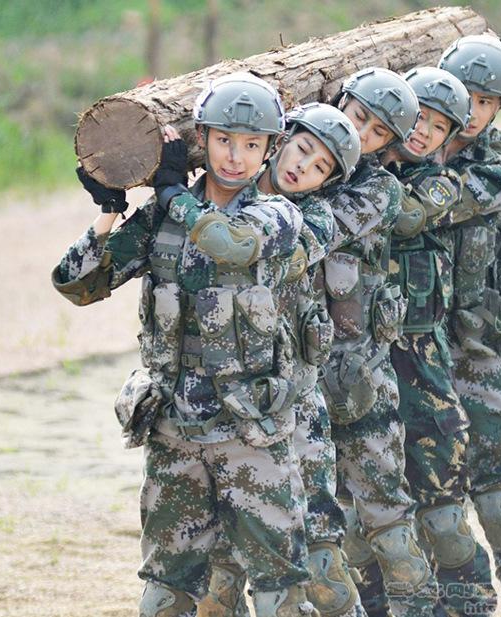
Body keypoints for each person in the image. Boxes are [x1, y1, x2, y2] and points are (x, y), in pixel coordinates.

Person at [53, 72, 317, 617]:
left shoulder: (277, 216)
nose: (235, 158)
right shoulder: (162, 218)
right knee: (165, 592)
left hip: (251, 433)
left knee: (280, 593)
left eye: (251, 145)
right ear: (202, 138)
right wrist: (109, 210)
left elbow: (230, 245)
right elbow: (78, 285)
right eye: (224, 140)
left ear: (270, 149)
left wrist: (173, 193)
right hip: (175, 430)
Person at [199, 102, 365, 617]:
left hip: (294, 404)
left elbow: (248, 250)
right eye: (302, 150)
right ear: (281, 140)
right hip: (221, 401)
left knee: (317, 557)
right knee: (219, 564)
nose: (302, 167)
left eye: (319, 167)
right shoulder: (223, 191)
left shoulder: (311, 219)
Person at [315, 67, 440, 617]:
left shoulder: (378, 191)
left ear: (390, 144)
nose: (358, 131)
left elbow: (315, 227)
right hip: (295, 384)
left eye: (376, 130)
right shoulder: (293, 168)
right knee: (316, 532)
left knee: (388, 522)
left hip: (361, 377)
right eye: (356, 115)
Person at [379, 66, 499, 617]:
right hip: (358, 371)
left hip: (423, 370)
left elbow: (405, 216)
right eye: (417, 117)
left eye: (438, 126)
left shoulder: (440, 184)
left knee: (444, 516)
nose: (423, 131)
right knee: (368, 523)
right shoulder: (344, 179)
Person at [436, 35, 501, 617]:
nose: (473, 112)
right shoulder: (404, 149)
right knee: (432, 503)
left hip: (478, 349)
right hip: (412, 351)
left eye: (487, 102)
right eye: (465, 96)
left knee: (500, 492)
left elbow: (435, 204)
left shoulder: (497, 165)